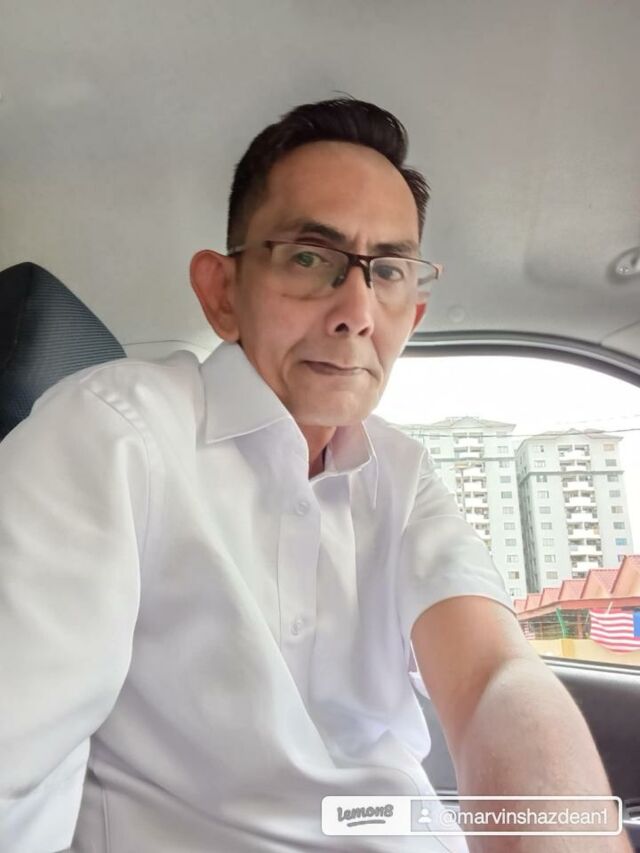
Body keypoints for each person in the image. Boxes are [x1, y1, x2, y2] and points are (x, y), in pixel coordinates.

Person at [0, 98, 630, 853]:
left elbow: (493, 674)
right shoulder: (115, 433)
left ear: (410, 316)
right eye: (309, 257)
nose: (356, 310)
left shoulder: (402, 474)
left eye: (387, 271)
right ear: (222, 292)